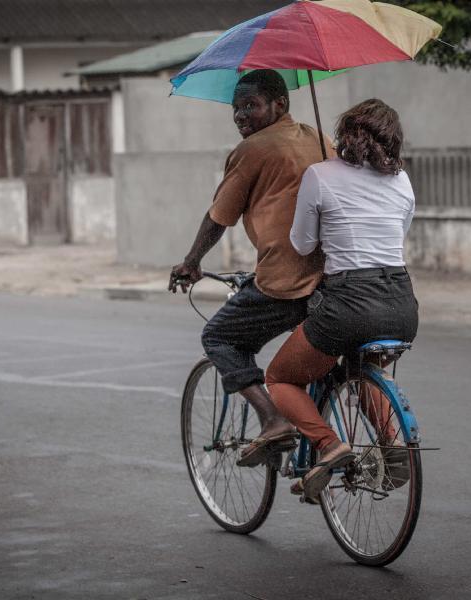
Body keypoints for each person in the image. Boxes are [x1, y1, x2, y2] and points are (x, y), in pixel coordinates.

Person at [168, 69, 333, 467]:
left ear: (280, 104)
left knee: (221, 338)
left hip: (286, 281)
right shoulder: (320, 138)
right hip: (334, 276)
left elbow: (219, 216)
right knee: (331, 358)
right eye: (236, 108)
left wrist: (192, 262)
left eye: (251, 106)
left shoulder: (252, 150)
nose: (241, 115)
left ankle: (273, 419)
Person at [264, 98, 419, 502]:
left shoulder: (320, 174)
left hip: (349, 303)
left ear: (346, 133)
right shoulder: (402, 181)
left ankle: (328, 444)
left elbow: (302, 243)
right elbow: (397, 233)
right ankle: (392, 443)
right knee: (360, 367)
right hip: (402, 303)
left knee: (280, 378)